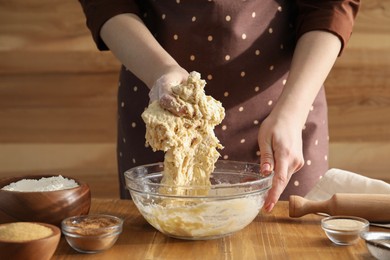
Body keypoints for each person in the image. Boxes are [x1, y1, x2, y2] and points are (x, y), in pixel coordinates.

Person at [78, 0, 360, 212]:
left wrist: (293, 112)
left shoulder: (291, 111)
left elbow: (331, 4)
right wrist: (161, 71)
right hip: (162, 99)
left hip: (286, 105)